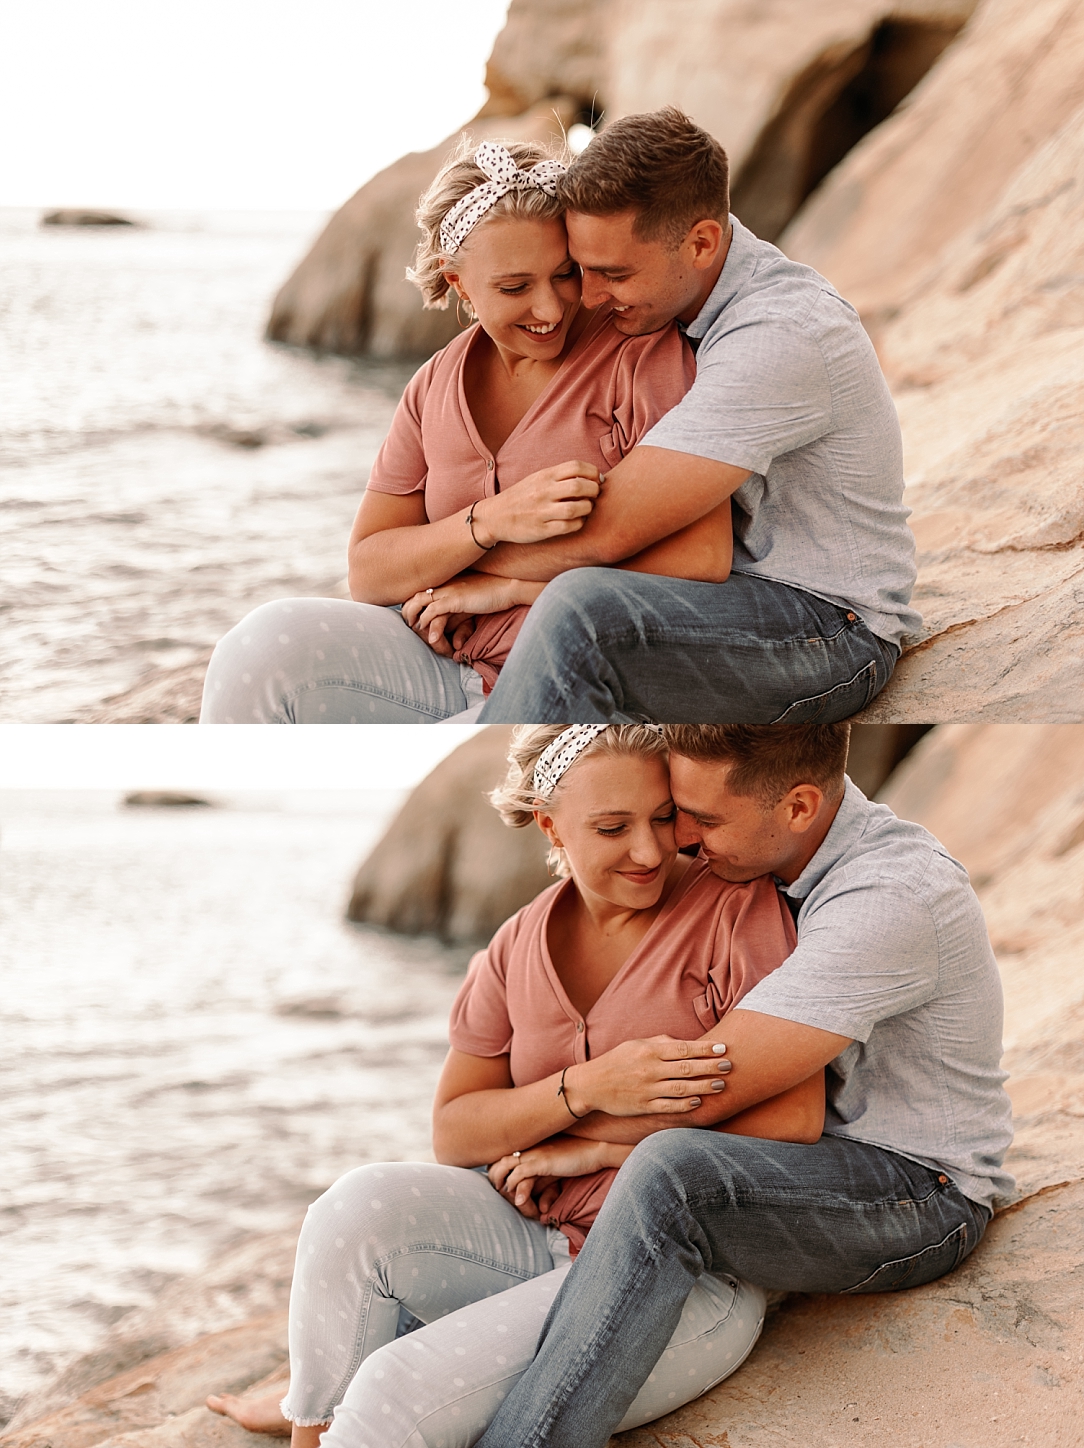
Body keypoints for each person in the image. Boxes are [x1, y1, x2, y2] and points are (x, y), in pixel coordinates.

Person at [207, 724, 825, 1445]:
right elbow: (456, 1131)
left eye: (664, 818)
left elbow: (794, 1121)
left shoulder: (734, 912)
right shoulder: (515, 945)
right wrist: (588, 1087)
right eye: (612, 827)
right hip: (535, 1242)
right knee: (353, 1207)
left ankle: (346, 1403)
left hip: (679, 1274)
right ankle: (310, 1418)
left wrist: (596, 1146)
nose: (650, 850)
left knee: (393, 1389)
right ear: (550, 823)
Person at [473, 722, 1015, 1448]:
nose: (681, 842)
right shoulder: (786, 867)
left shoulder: (890, 897)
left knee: (670, 1174)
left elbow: (709, 1084)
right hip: (814, 1171)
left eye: (702, 819)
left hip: (921, 1195)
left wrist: (589, 1139)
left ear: (796, 807)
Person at [199, 138, 725, 724]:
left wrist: (514, 588)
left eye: (565, 273)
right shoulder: (433, 385)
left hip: (577, 675)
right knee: (261, 647)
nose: (549, 309)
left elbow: (700, 559)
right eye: (514, 287)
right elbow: (370, 570)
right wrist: (493, 522)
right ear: (458, 284)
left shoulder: (640, 355)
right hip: (443, 665)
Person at [465, 106, 921, 722]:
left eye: (614, 273)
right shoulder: (678, 305)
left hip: (830, 625)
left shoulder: (782, 332)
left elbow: (613, 526)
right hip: (726, 596)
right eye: (583, 270)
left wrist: (465, 558)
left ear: (702, 243)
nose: (591, 298)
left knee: (580, 615)